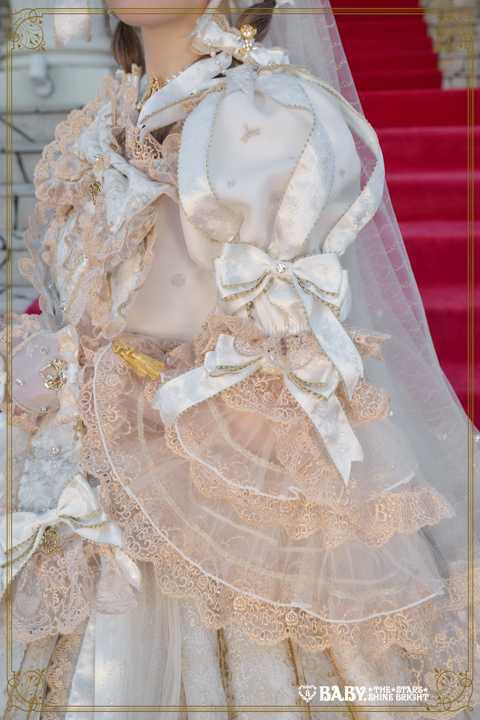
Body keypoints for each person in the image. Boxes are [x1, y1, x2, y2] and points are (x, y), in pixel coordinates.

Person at [0, 0, 478, 717]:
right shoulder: (102, 120)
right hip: (72, 488)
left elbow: (281, 371)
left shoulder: (264, 121)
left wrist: (109, 384)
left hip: (201, 517)